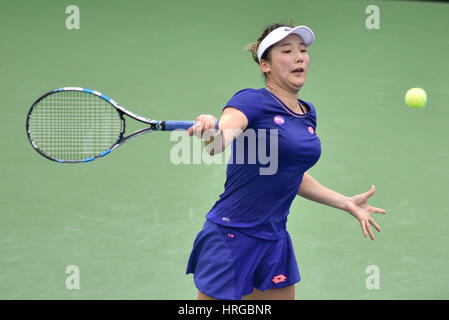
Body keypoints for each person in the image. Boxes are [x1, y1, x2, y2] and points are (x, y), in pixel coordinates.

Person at [185, 22, 386, 300]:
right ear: (265, 65)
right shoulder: (251, 100)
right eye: (287, 50)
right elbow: (220, 141)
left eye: (302, 50)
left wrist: (346, 202)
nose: (299, 56)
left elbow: (290, 173)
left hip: (274, 238)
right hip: (232, 236)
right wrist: (212, 130)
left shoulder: (307, 114)